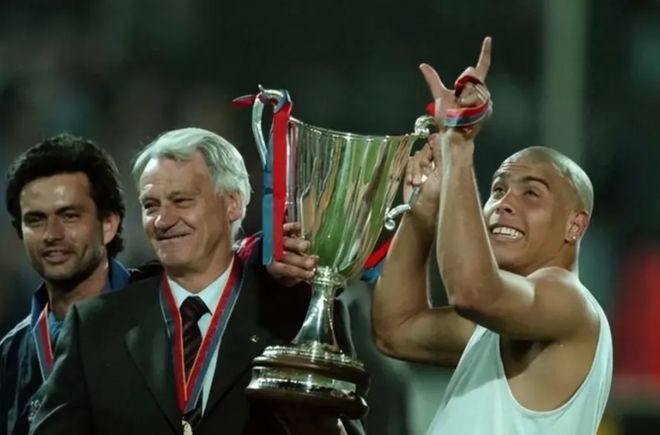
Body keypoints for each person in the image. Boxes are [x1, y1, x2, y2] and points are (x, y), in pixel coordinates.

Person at [29, 128, 360, 435]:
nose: (163, 220)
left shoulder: (300, 320)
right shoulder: (94, 326)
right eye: (151, 205)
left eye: (182, 200)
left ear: (233, 203)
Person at [372, 37, 612, 434]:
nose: (503, 203)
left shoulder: (569, 303)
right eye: (498, 189)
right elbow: (395, 332)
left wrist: (457, 146)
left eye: (532, 193)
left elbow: (472, 292)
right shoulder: (505, 324)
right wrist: (424, 209)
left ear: (575, 225)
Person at [0, 134, 144, 435]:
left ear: (108, 224)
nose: (52, 234)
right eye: (35, 220)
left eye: (69, 216)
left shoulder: (164, 321)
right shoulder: (11, 355)